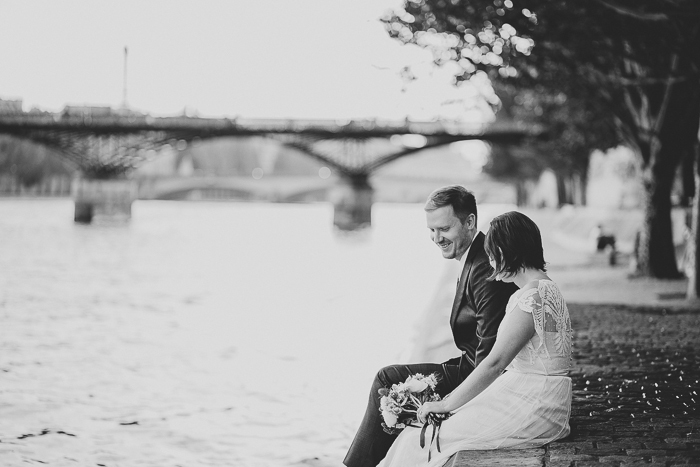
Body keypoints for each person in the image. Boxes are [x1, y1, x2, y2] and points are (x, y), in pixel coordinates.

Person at [380, 211, 573, 467]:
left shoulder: (531, 298)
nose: (491, 264)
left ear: (506, 251)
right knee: (424, 432)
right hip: (536, 396)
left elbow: (495, 363)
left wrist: (444, 403)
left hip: (534, 404)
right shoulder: (545, 288)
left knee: (420, 439)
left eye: (492, 254)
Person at [344, 185, 518, 467]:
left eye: (444, 229)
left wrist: (447, 402)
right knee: (389, 383)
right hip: (466, 366)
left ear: (470, 222)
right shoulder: (474, 257)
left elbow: (489, 357)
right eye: (432, 230)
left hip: (475, 376)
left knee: (387, 380)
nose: (437, 238)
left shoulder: (485, 267)